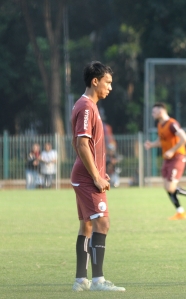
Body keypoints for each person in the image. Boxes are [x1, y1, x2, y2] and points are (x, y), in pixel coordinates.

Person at [70, 61, 125, 291]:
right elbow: (82, 145)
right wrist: (96, 177)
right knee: (103, 223)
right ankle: (98, 281)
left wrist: (101, 174)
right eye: (108, 82)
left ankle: (80, 280)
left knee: (87, 227)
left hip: (85, 176)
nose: (110, 87)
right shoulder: (86, 106)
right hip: (86, 178)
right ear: (95, 81)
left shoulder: (90, 106)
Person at [144, 102, 186, 220]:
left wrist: (172, 150)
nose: (152, 114)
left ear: (161, 112)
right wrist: (152, 144)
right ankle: (180, 212)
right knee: (167, 186)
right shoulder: (160, 125)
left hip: (178, 157)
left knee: (171, 187)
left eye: (154, 112)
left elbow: (185, 138)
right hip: (168, 159)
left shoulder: (172, 124)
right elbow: (162, 141)